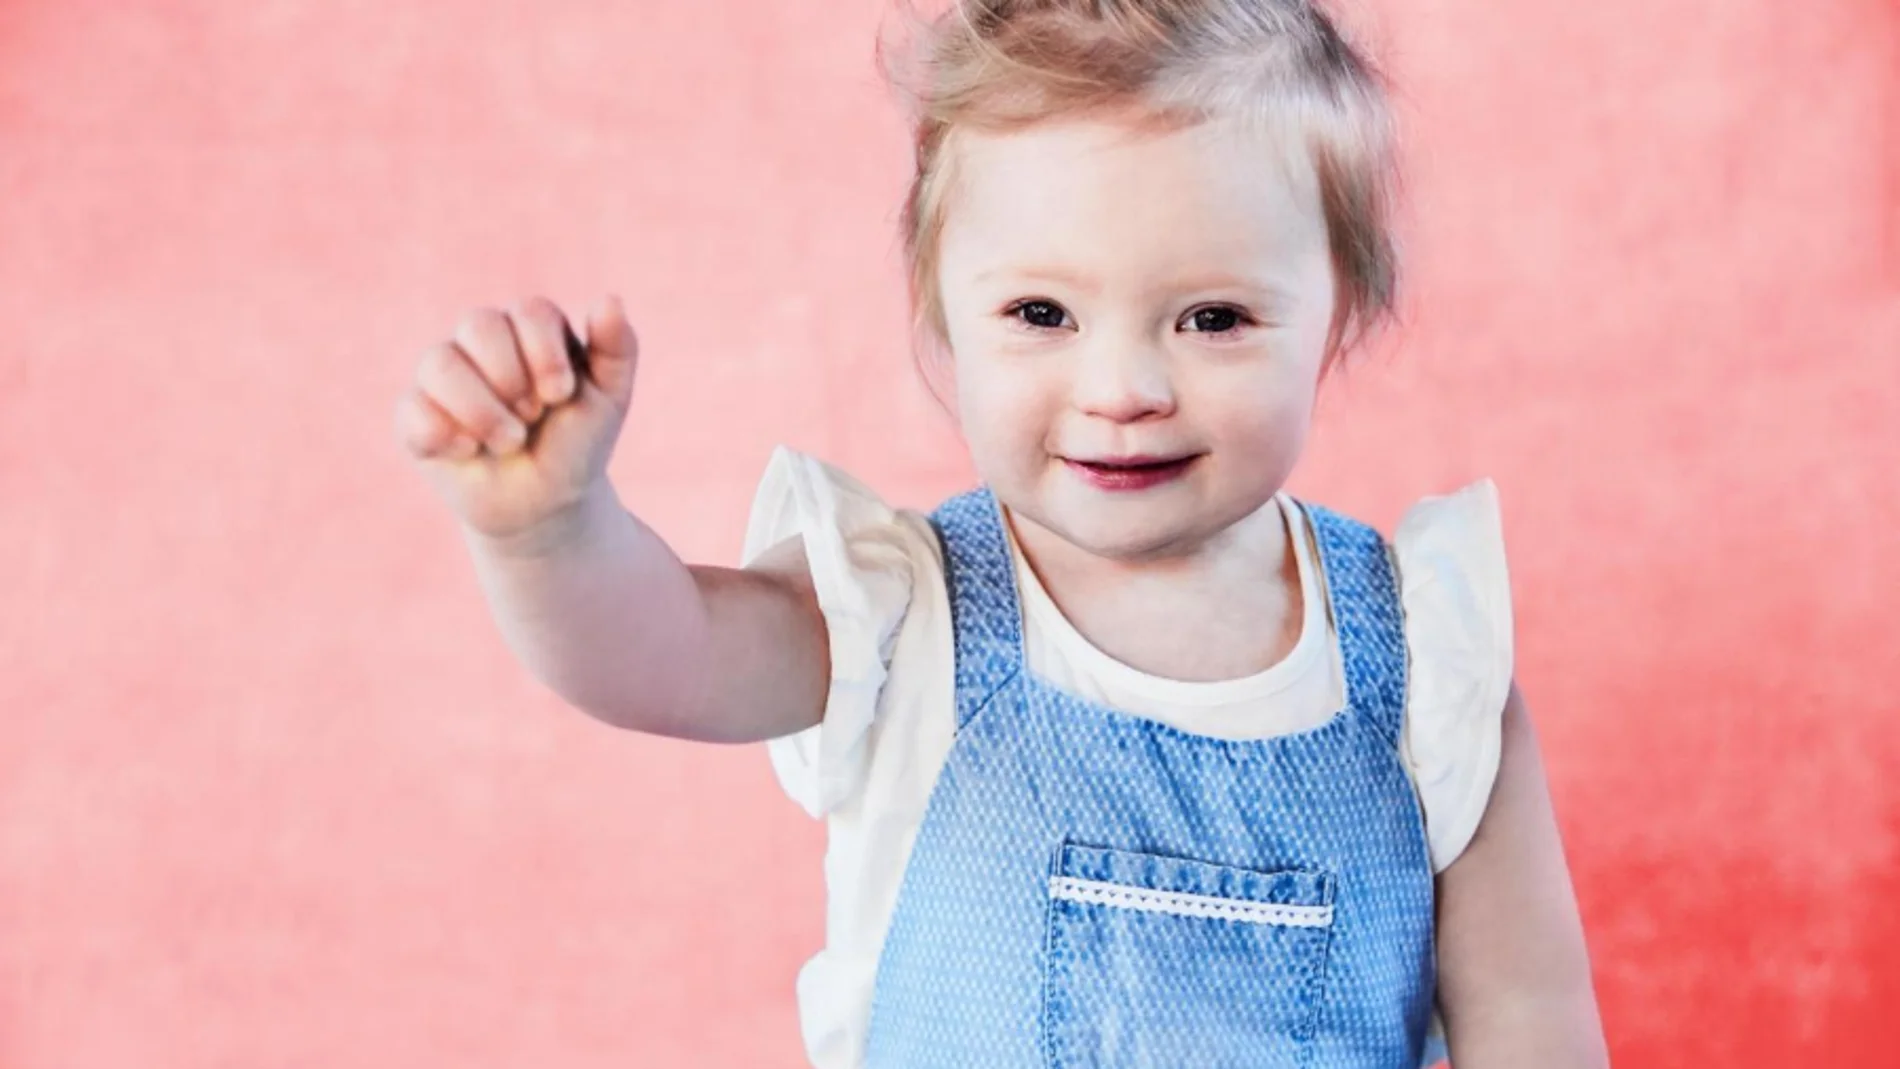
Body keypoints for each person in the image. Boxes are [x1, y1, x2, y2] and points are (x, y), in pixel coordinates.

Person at [393, 1, 1607, 1065]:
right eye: (1040, 312)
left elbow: (1531, 1016)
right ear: (942, 308)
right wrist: (547, 531)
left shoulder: (1427, 668)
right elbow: (657, 655)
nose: (1123, 387)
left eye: (1212, 318)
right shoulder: (901, 615)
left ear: (1337, 309)